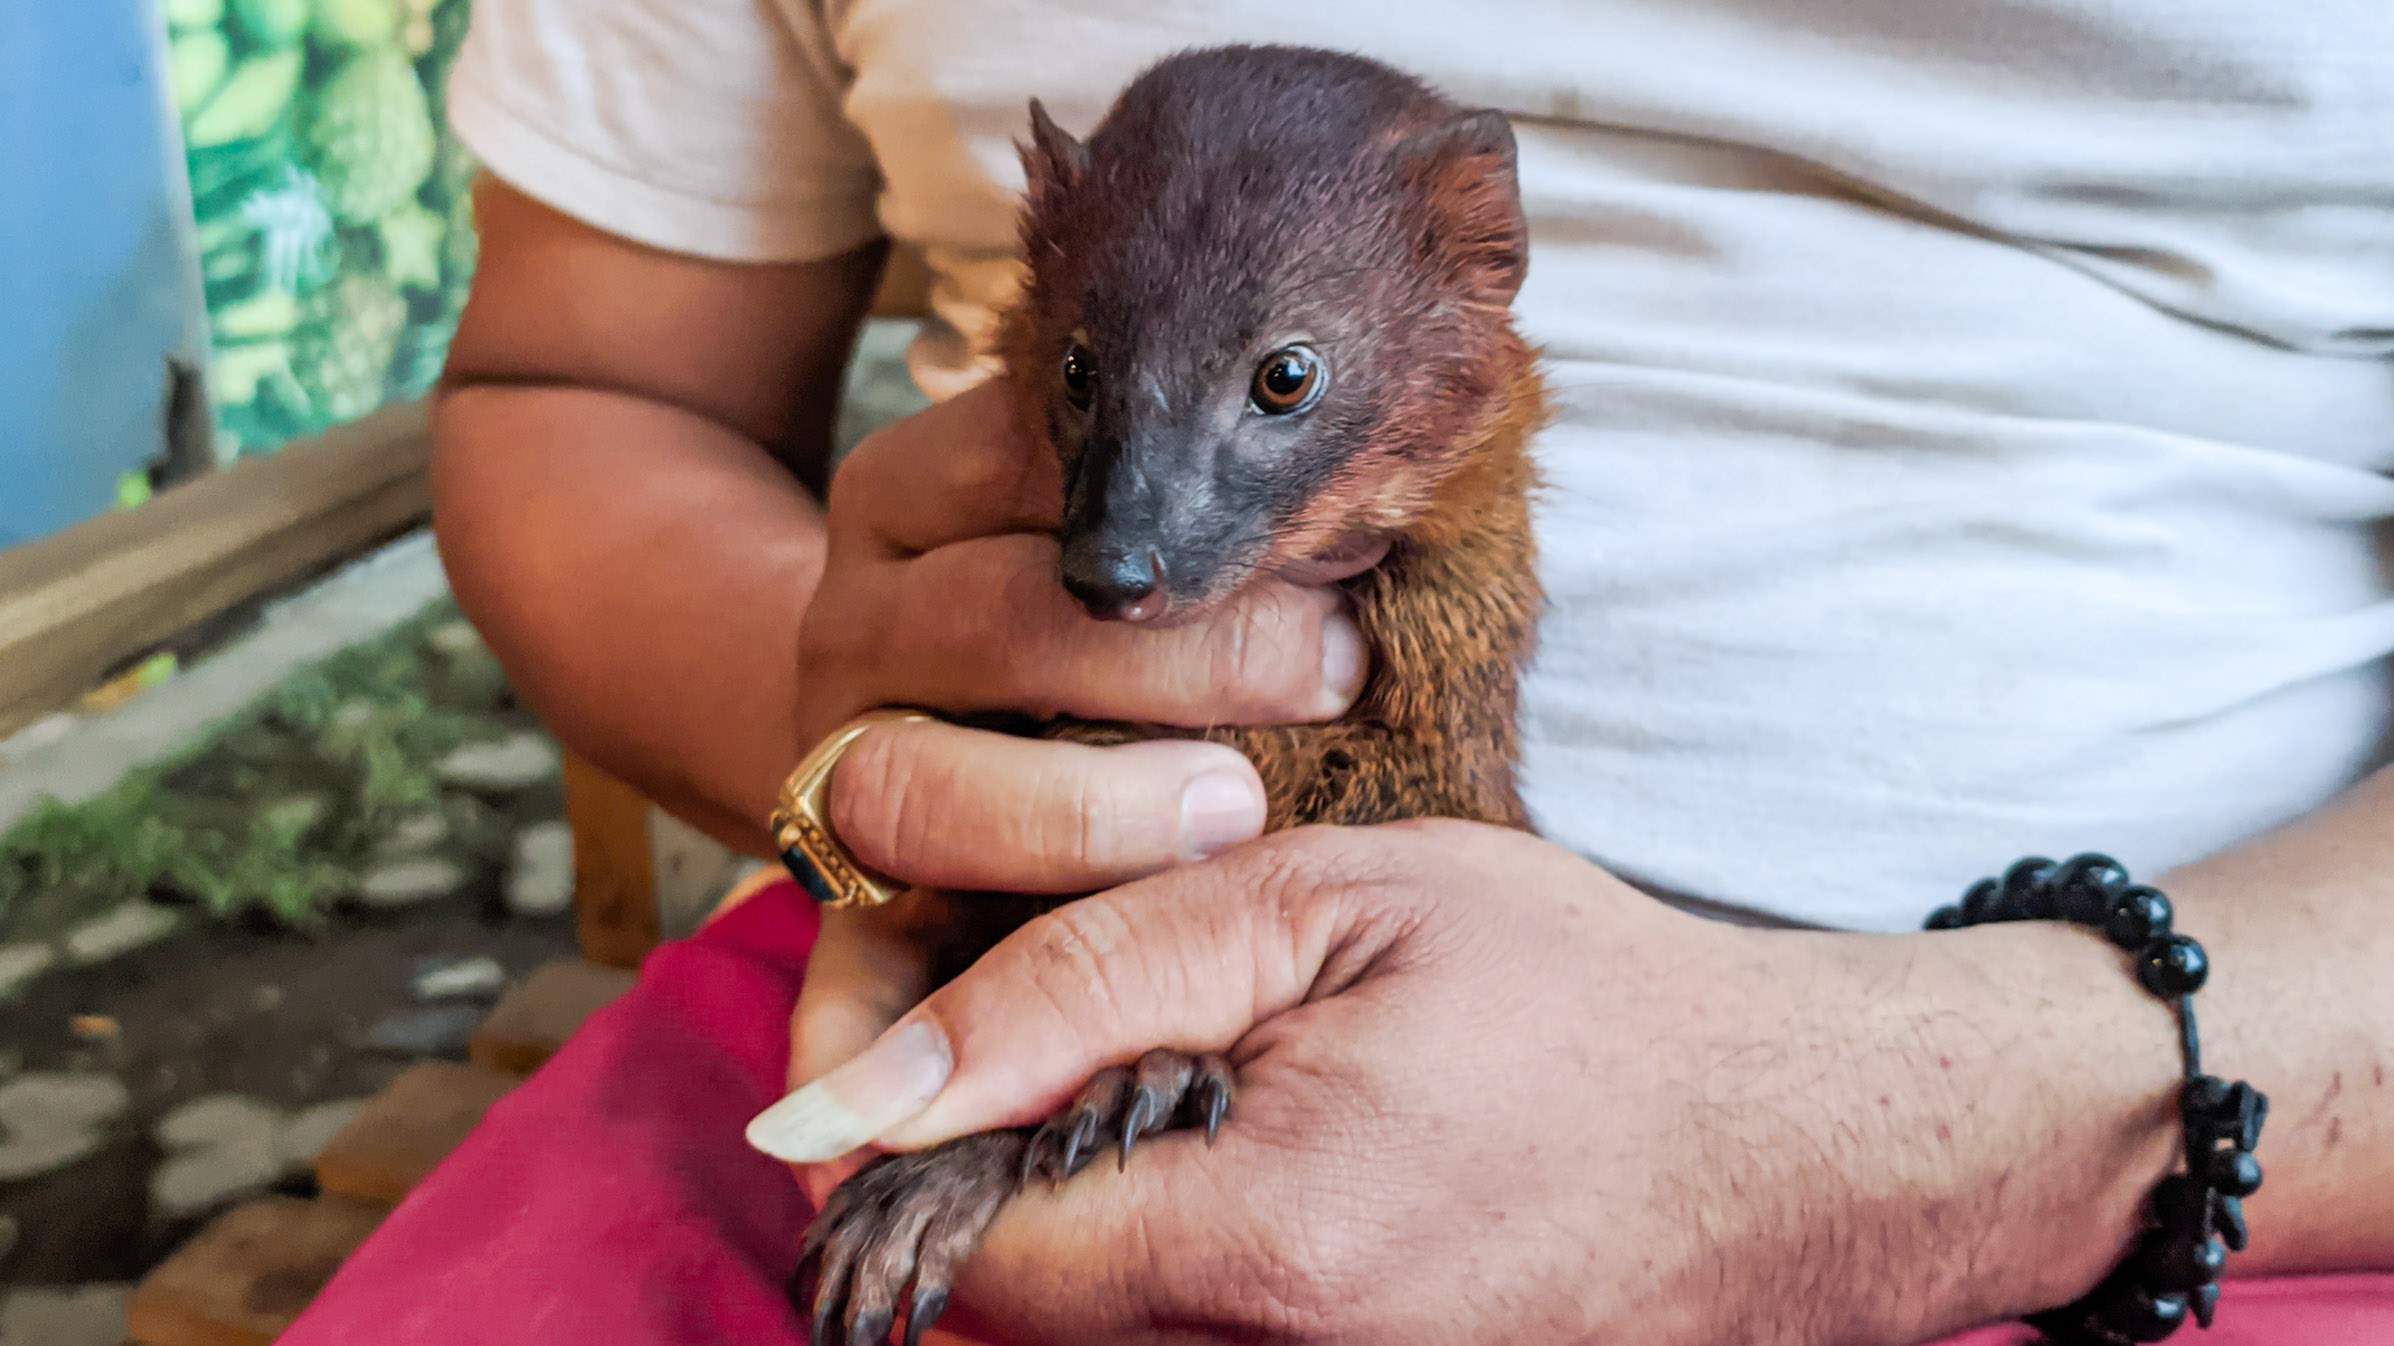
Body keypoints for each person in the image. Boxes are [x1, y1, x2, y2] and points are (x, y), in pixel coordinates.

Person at [283, 2, 2394, 1343]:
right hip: (921, 1024)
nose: (1138, 533)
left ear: (1477, 280)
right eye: (1097, 384)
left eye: (1285, 390)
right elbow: (578, 379)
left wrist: (1927, 1129)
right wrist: (896, 766)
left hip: (2225, 1128)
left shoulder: (1454, 450)